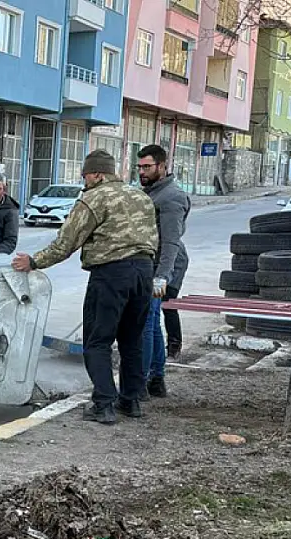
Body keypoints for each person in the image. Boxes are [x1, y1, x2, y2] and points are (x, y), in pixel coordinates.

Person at [11, 150, 158, 424]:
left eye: (86, 175)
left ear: (98, 174)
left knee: (97, 341)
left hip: (112, 273)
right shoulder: (141, 197)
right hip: (144, 271)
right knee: (132, 340)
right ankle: (132, 400)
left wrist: (33, 261)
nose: (84, 180)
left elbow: (66, 243)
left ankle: (104, 404)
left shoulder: (93, 198)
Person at [135, 144, 190, 398]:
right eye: (139, 167)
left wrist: (162, 277)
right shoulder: (152, 193)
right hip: (152, 265)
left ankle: (141, 383)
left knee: (145, 323)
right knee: (152, 324)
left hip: (161, 267)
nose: (142, 172)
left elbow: (171, 241)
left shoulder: (171, 197)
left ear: (161, 166)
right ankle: (156, 378)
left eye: (147, 167)